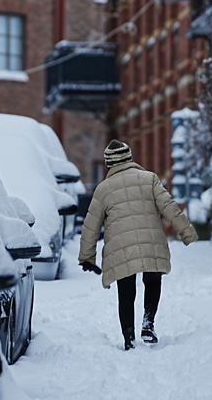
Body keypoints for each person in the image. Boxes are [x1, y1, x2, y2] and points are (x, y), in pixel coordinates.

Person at [79, 139, 198, 350]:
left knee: (126, 292)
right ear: (130, 157)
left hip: (120, 248)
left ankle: (129, 338)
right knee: (152, 280)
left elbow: (91, 226)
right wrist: (186, 232)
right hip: (150, 242)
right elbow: (169, 207)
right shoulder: (148, 179)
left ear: (109, 164)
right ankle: (148, 323)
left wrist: (87, 256)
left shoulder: (103, 189)